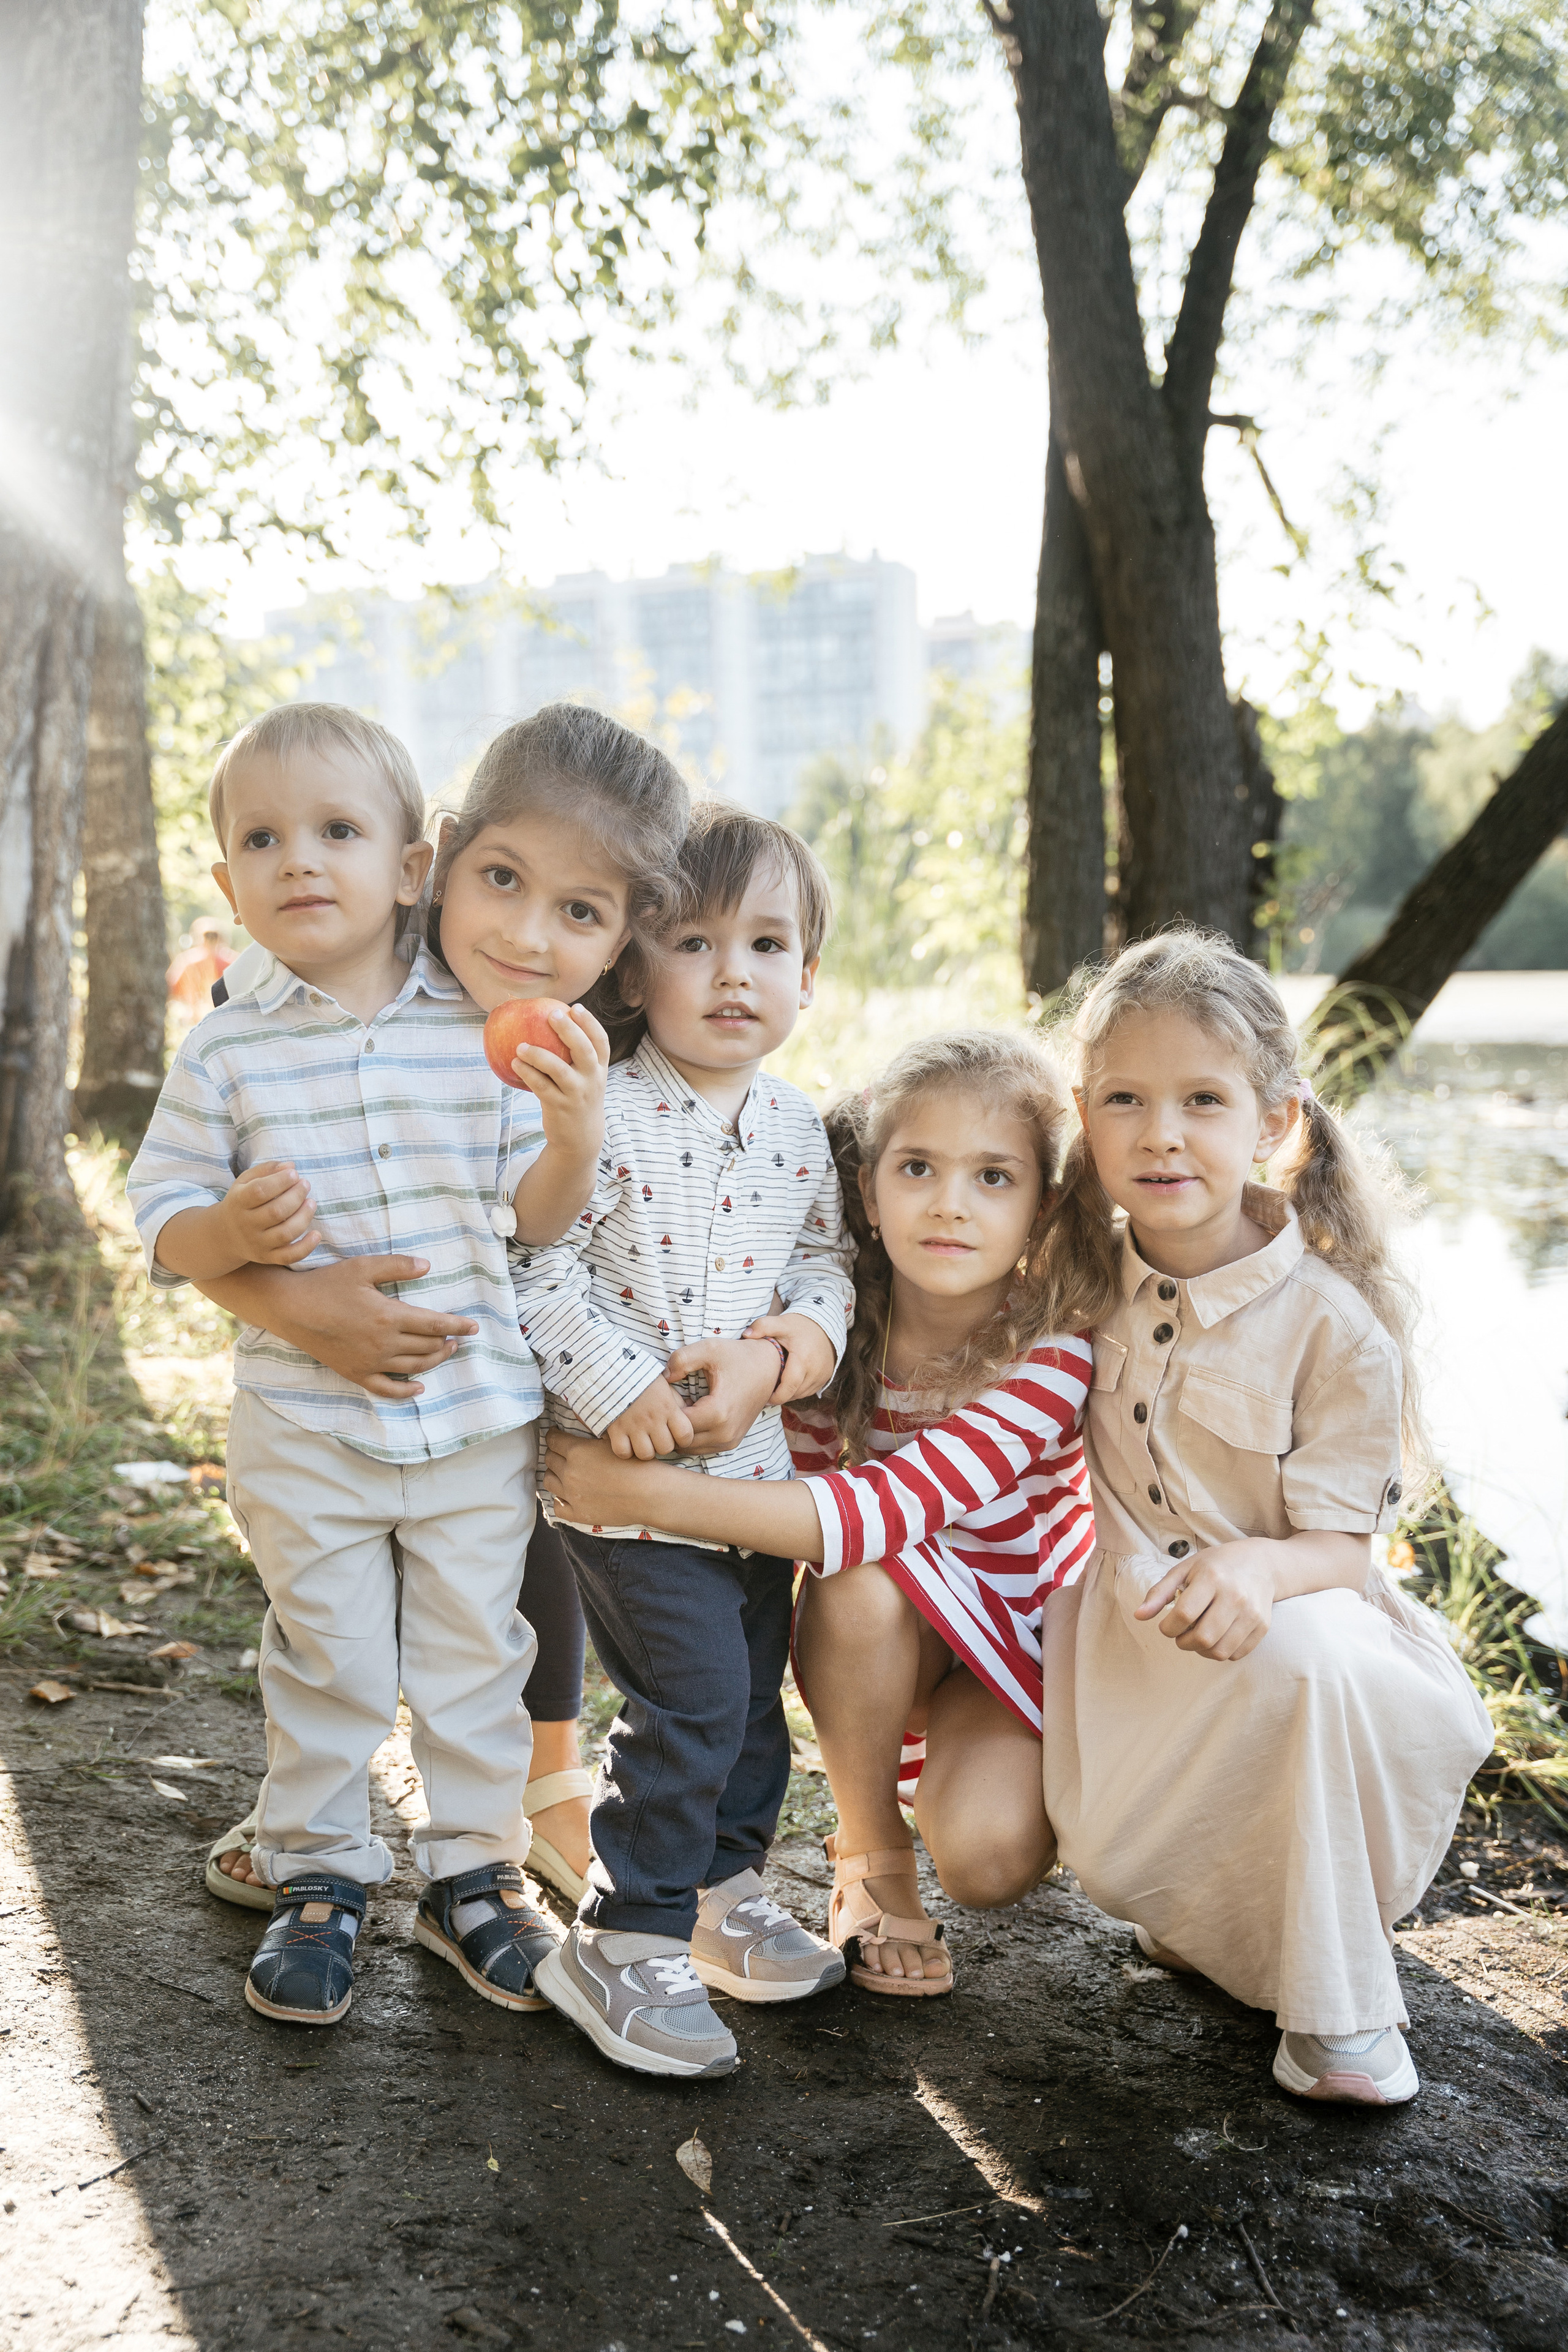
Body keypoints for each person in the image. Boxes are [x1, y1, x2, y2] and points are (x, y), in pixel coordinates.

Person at [127, 701, 680, 2026]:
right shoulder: (228, 1048)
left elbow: (532, 1222)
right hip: (305, 1430)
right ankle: (318, 1872)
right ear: (227, 885)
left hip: (474, 1423)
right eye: (263, 840)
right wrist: (234, 1235)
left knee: (471, 1656)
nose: (301, 860)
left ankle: (473, 1877)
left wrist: (571, 1137)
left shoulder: (490, 1033)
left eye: (335, 831)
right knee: (324, 1654)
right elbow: (162, 1225)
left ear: (407, 866)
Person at [1026, 927, 1492, 2105]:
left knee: (1300, 1656)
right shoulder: (1076, 1279)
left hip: (1310, 1630)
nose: (1161, 1133)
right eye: (1125, 1099)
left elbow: (1342, 1551)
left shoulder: (1336, 1326)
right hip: (1142, 1651)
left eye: (1202, 1099)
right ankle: (1203, 1909)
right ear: (1086, 1113)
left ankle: (1339, 2017)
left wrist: (1259, 1575)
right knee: (1250, 1677)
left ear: (1275, 1121)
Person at [543, 1030, 1097, 1999]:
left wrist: (644, 1492)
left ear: (1042, 1207)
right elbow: (809, 1521)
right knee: (862, 1582)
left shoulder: (1051, 1356)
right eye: (917, 1167)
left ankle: (971, 1804)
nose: (950, 1204)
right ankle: (870, 1855)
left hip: (1010, 1647)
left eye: (994, 1177)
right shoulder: (823, 1342)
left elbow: (882, 1508)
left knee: (989, 1862)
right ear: (868, 1190)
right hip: (880, 1645)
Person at [521, 801, 858, 2079]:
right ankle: (623, 1935)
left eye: (767, 946)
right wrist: (619, 1393)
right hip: (624, 1491)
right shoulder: (601, 1111)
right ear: (635, 969)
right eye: (696, 942)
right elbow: (536, 1269)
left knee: (749, 1697)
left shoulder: (792, 1128)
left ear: (806, 982)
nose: (734, 973)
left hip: (752, 1484)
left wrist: (797, 1354)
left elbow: (824, 1266)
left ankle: (720, 1893)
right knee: (691, 1701)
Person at [165, 918, 235, 1025]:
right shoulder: (233, 961)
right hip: (226, 1019)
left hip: (194, 1021)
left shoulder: (187, 960)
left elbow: (171, 989)